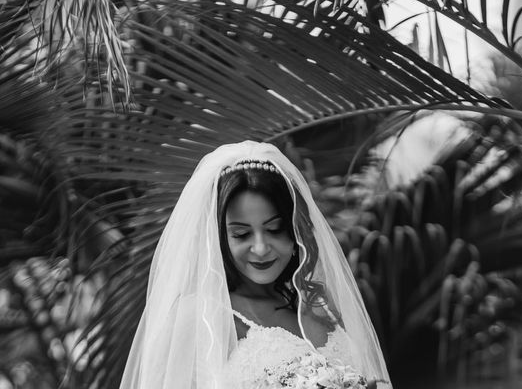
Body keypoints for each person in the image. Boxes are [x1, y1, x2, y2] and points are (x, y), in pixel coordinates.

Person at [119, 141, 391, 389]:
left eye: (275, 229)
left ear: (297, 230)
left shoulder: (322, 306)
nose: (260, 248)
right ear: (218, 238)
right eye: (241, 234)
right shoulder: (199, 318)